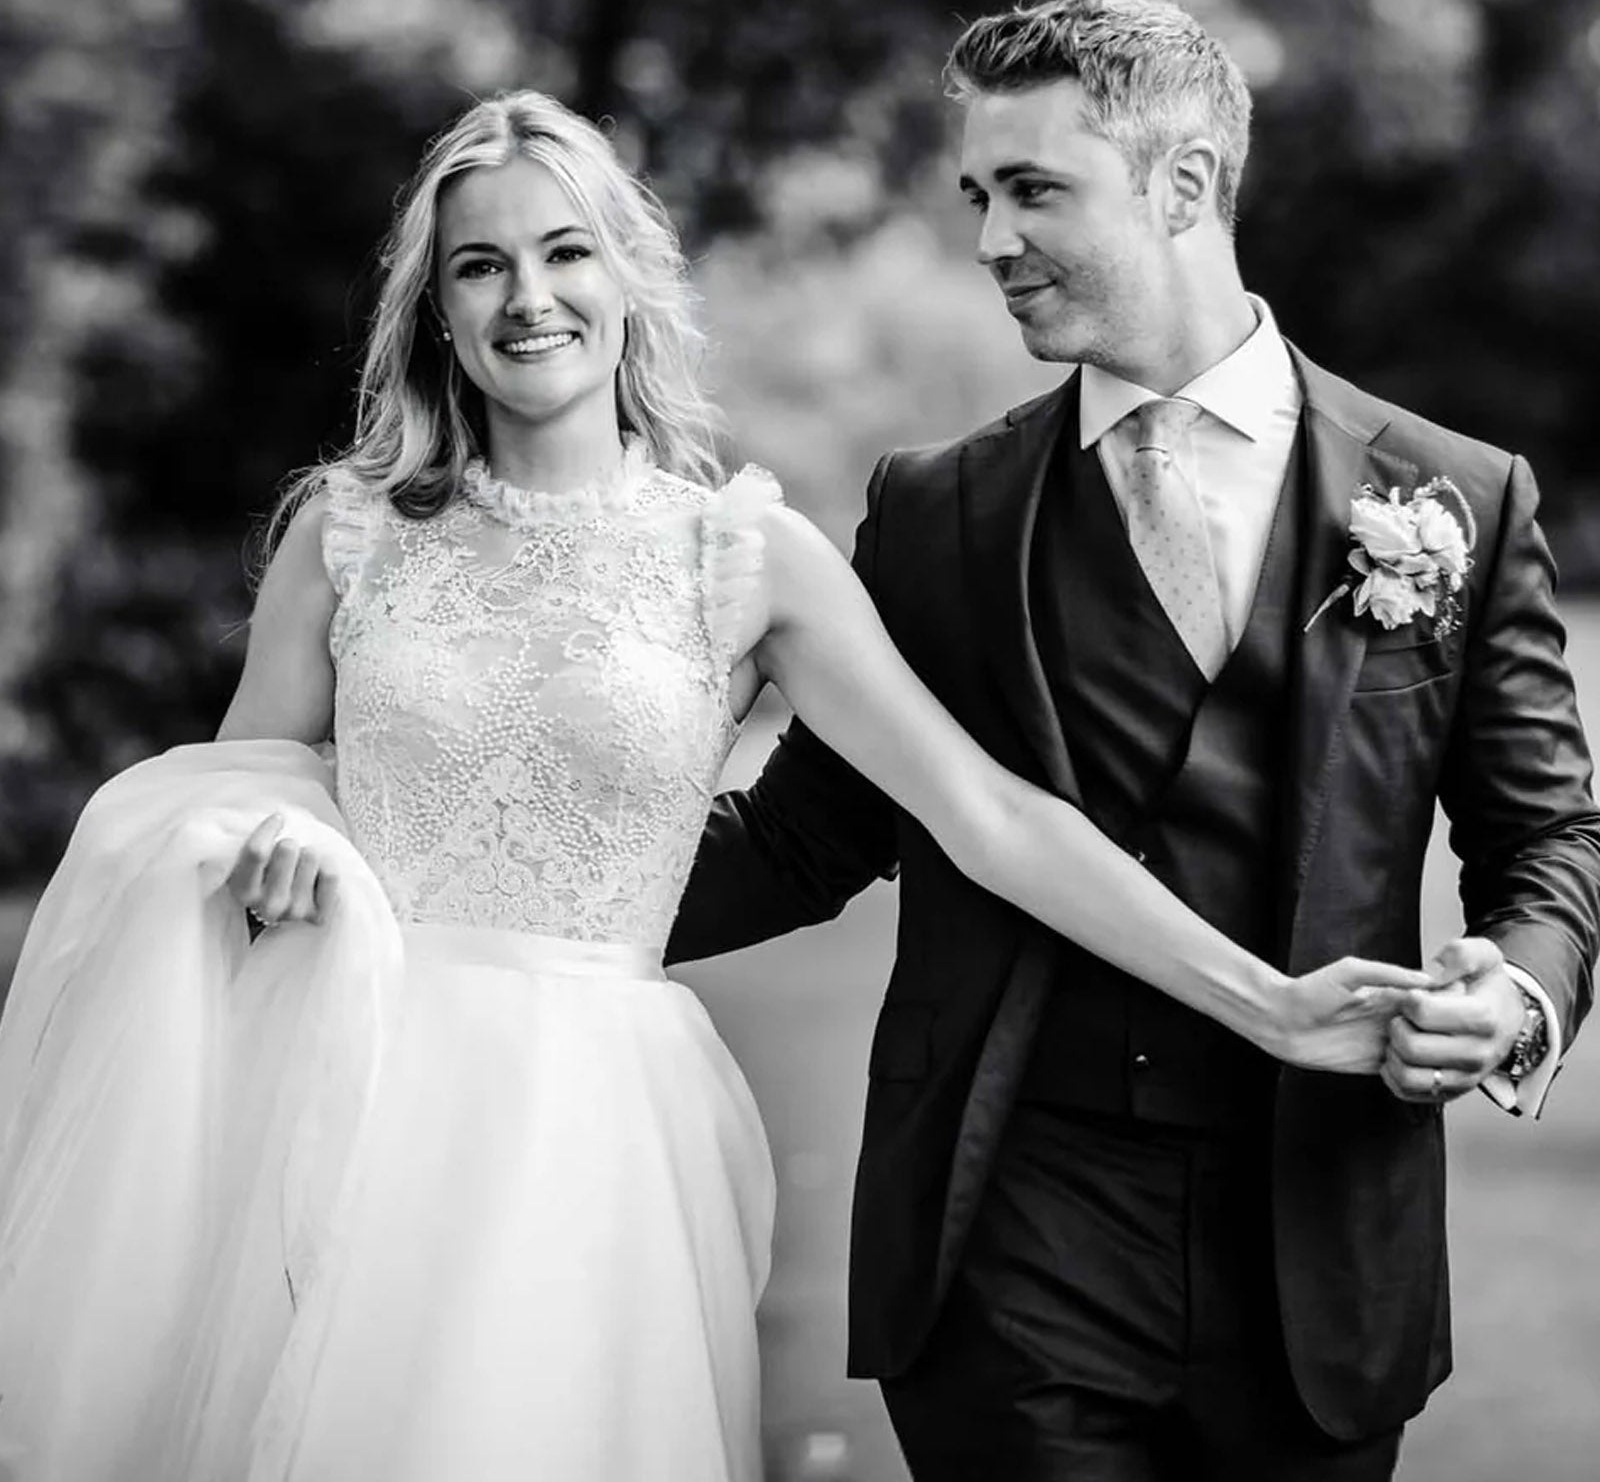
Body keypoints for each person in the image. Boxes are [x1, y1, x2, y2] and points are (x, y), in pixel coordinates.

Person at [0, 90, 1425, 1482]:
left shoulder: (741, 556)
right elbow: (242, 792)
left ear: (628, 279)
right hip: (346, 1093)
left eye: (565, 252)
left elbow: (988, 817)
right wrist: (273, 852)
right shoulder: (348, 533)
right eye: (480, 266)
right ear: (434, 307)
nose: (527, 298)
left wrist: (1268, 1000)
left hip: (590, 1127)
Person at [669, 0, 1600, 1481]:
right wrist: (474, 879)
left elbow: (1547, 834)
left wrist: (1519, 995)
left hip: (1317, 1233)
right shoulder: (937, 513)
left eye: (1035, 189)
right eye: (978, 196)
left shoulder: (1457, 498)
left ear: (1184, 185)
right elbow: (801, 838)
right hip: (1011, 1230)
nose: (991, 239)